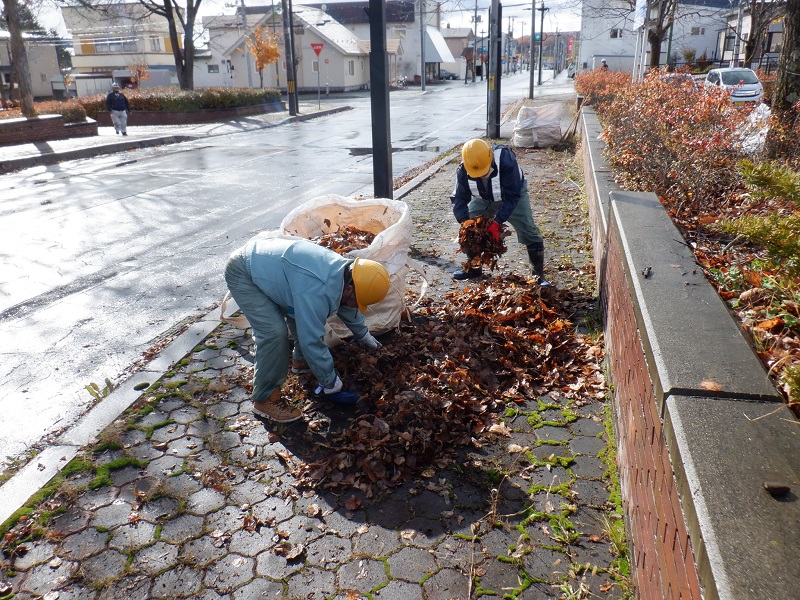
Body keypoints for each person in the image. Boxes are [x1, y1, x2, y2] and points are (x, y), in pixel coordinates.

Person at [224, 237, 391, 423]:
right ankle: (265, 399)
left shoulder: (346, 273)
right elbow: (311, 339)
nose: (353, 306)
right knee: (273, 333)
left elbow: (346, 306)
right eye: (355, 301)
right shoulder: (317, 290)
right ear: (349, 289)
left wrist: (363, 334)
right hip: (244, 272)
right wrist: (330, 382)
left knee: (301, 315)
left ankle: (300, 363)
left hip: (273, 267)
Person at [450, 138, 549, 286]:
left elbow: (512, 196)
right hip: (483, 199)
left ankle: (538, 276)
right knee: (470, 229)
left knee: (529, 230)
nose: (482, 175)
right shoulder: (464, 169)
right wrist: (465, 223)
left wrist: (497, 222)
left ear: (490, 157)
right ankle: (474, 268)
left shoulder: (506, 161)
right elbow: (459, 198)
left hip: (513, 196)